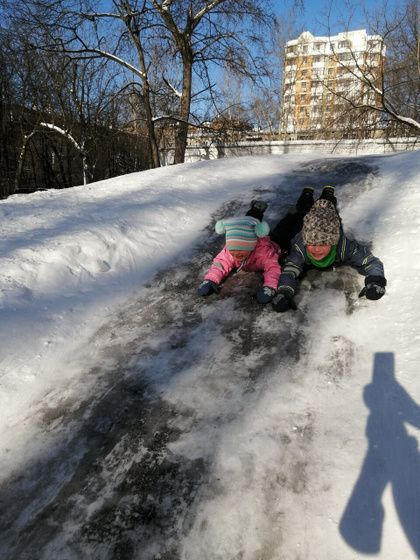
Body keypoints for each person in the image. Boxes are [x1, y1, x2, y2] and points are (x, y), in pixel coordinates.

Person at [271, 186, 387, 313]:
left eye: (323, 244)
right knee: (302, 212)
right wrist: (284, 292)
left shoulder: (344, 246)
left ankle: (328, 194)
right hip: (302, 229)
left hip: (330, 228)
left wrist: (375, 280)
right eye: (311, 244)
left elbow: (370, 261)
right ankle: (307, 195)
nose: (316, 249)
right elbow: (289, 270)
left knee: (331, 210)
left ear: (333, 242)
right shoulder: (301, 249)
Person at [197, 214, 282, 304]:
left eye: (241, 249)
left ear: (251, 246)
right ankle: (256, 211)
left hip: (277, 241)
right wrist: (210, 279)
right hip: (251, 238)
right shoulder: (229, 252)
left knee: (282, 230)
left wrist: (270, 286)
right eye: (233, 249)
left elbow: (272, 269)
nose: (236, 253)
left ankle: (291, 217)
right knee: (246, 224)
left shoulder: (264, 253)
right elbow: (220, 264)